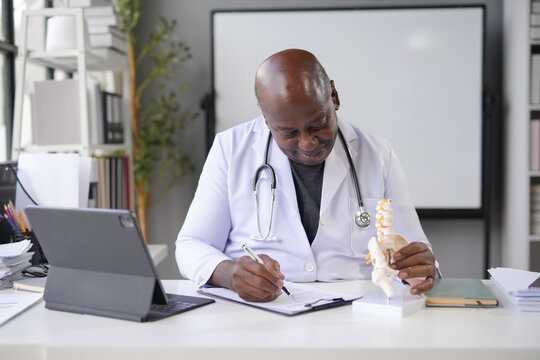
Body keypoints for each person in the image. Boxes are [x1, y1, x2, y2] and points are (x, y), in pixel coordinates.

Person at [176, 48, 438, 302]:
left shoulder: (378, 154)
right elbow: (191, 245)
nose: (307, 143)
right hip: (265, 311)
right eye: (288, 133)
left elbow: (415, 253)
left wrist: (423, 268)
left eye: (318, 125)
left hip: (358, 311)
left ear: (333, 96)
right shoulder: (230, 149)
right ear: (266, 120)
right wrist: (230, 275)